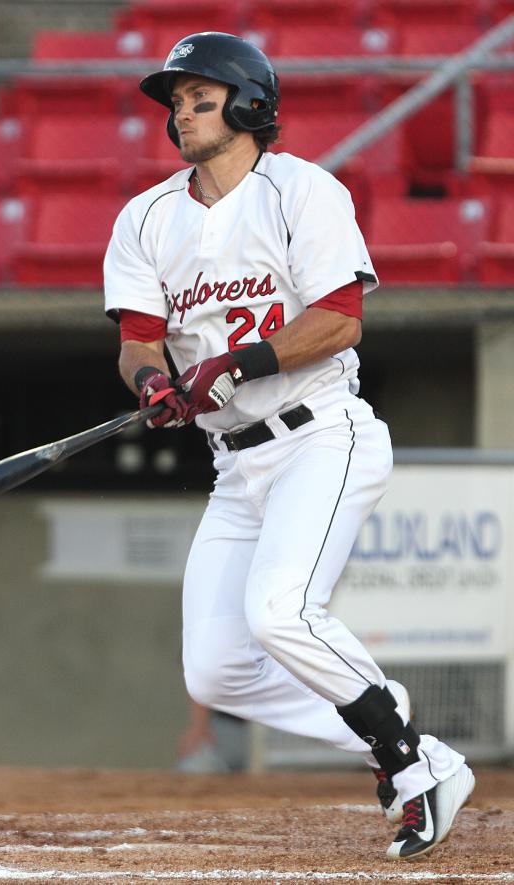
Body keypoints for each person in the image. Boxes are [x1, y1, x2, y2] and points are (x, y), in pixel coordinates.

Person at [103, 32, 474, 860]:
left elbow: (340, 316)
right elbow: (137, 337)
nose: (183, 112)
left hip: (321, 434)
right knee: (217, 670)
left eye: (201, 97)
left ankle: (411, 763)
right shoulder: (146, 217)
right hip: (235, 466)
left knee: (280, 612)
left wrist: (244, 361)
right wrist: (153, 384)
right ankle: (396, 722)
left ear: (249, 104)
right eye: (176, 102)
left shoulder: (302, 190)